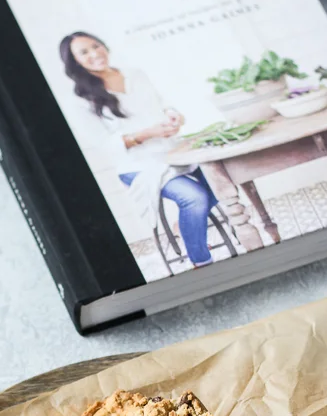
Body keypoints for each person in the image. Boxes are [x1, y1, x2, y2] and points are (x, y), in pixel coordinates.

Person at [59, 31, 217, 268]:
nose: (94, 53)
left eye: (95, 45)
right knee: (195, 198)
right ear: (75, 62)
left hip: (175, 151)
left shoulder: (134, 74)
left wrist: (173, 115)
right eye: (84, 52)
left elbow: (162, 104)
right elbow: (104, 145)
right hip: (139, 166)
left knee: (221, 176)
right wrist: (146, 134)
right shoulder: (79, 100)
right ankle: (201, 263)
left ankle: (182, 229)